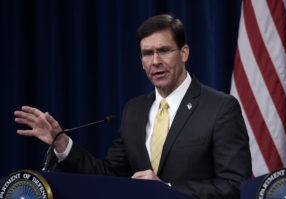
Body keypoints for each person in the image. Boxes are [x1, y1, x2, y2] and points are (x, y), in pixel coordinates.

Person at [14, 14, 252, 198]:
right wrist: (62, 143)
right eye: (147, 53)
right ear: (141, 61)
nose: (155, 61)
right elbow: (109, 176)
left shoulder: (221, 107)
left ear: (184, 52)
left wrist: (166, 189)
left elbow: (234, 186)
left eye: (164, 51)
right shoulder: (135, 110)